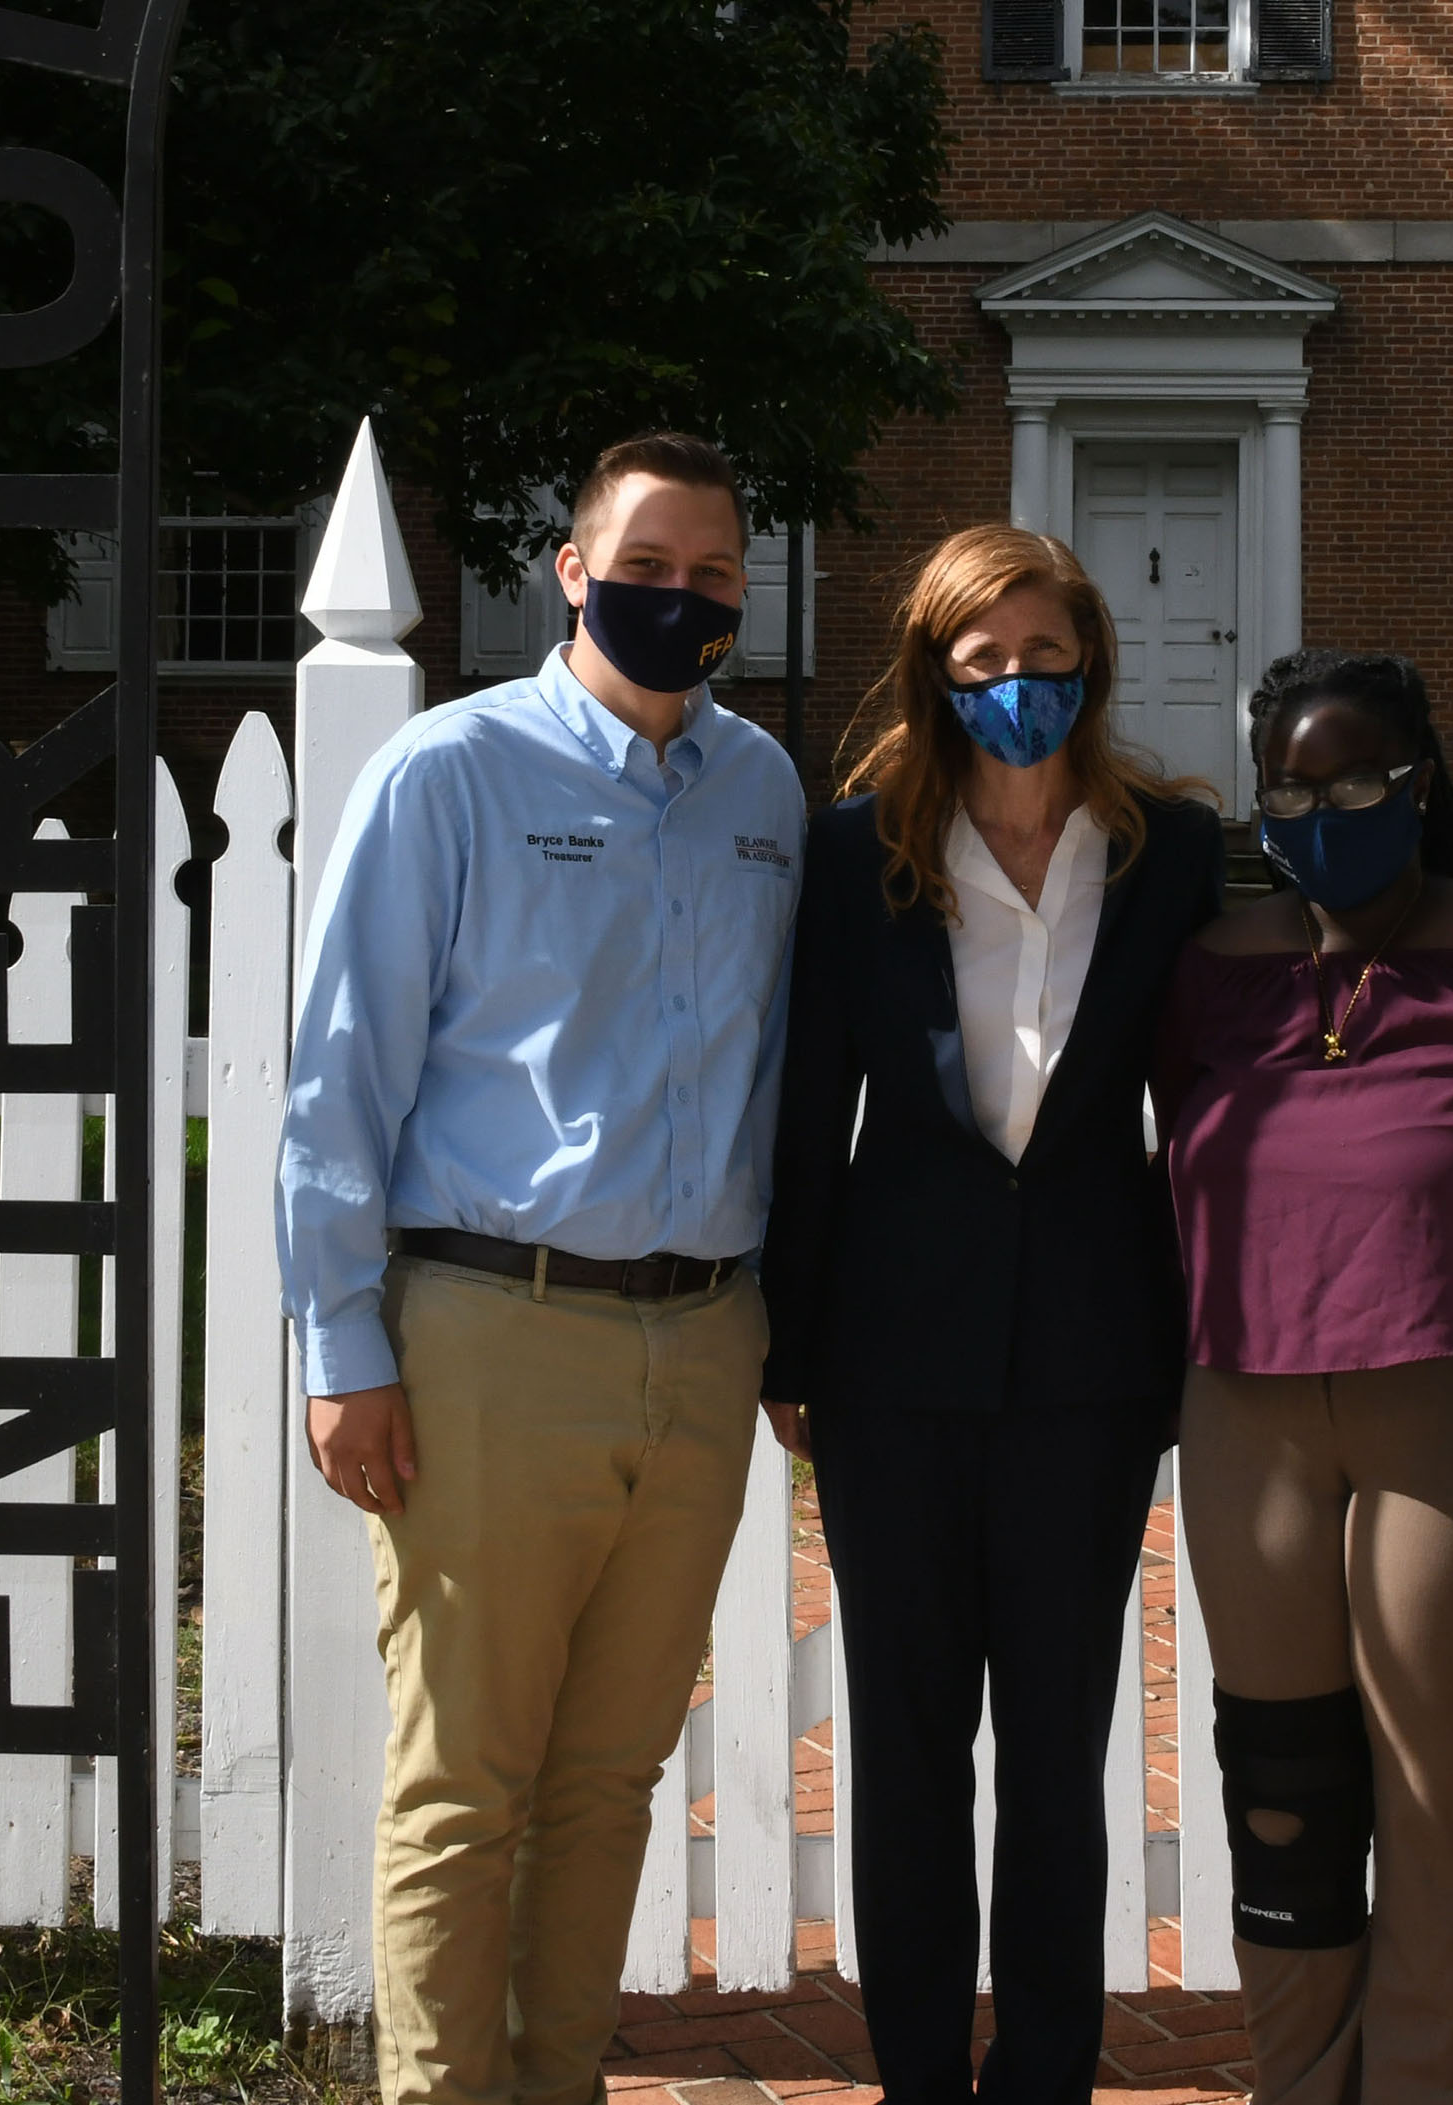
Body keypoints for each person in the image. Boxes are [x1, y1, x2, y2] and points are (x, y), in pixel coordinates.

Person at [275, 430, 802, 2105]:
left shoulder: (767, 794)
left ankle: (558, 2079)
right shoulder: (452, 773)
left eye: (712, 573)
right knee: (465, 1784)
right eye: (644, 566)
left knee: (611, 1778)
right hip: (493, 1328)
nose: (680, 597)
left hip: (703, 1337)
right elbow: (338, 1070)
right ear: (571, 571)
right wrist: (339, 1338)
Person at [760, 526, 1220, 2105]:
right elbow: (812, 1110)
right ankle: (916, 2079)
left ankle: (1046, 2073)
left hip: (1091, 1365)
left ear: (1087, 656)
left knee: (1055, 1745)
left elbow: (1211, 1099)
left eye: (1042, 655)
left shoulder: (1171, 854)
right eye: (982, 662)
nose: (1016, 684)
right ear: (934, 673)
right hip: (892, 1365)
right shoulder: (856, 853)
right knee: (903, 1745)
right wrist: (791, 1345)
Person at [1154, 650, 1453, 2105]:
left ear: (1421, 783)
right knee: (1283, 1792)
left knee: (1435, 1792)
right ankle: (1301, 2083)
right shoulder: (1208, 970)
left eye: (1357, 782)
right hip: (1244, 1405)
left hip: (1444, 1406)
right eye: (1292, 788)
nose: (1323, 810)